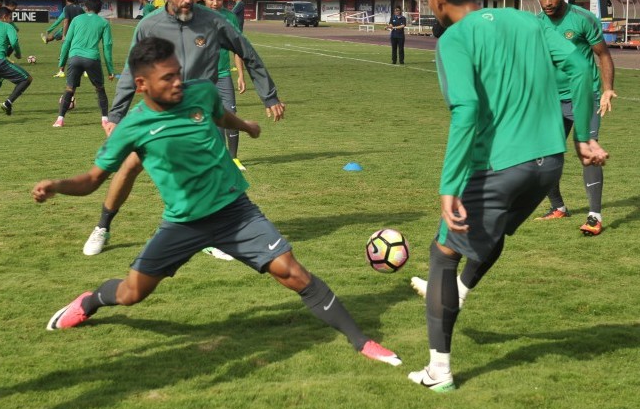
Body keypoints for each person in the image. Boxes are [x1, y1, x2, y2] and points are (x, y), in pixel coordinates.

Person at [33, 36, 401, 366]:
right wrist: (57, 185)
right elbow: (93, 180)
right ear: (142, 84)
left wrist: (246, 126)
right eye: (167, 78)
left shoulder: (200, 92)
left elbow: (219, 113)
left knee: (294, 273)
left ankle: (362, 341)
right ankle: (90, 301)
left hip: (235, 213)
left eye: (178, 73)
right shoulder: (132, 127)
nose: (178, 82)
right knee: (132, 293)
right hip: (183, 223)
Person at [406, 0, 607, 392]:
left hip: (499, 167)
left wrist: (449, 186)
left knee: (442, 252)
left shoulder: (454, 39)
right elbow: (578, 67)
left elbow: (466, 110)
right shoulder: (529, 21)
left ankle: (438, 371)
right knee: (491, 237)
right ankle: (460, 293)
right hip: (547, 165)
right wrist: (583, 138)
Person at [81, 0, 285, 257]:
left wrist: (269, 96)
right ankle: (102, 226)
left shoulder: (213, 22)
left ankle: (215, 238)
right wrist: (116, 116)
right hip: (158, 113)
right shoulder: (149, 26)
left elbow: (248, 54)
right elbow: (131, 70)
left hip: (200, 117)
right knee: (129, 167)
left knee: (216, 175)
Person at [533, 0, 617, 236]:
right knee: (541, 159)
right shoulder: (536, 25)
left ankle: (594, 216)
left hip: (585, 97)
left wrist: (607, 89)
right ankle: (558, 207)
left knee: (588, 154)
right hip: (551, 100)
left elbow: (602, 55)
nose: (548, 2)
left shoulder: (583, 19)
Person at [203, 0, 246, 169]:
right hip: (203, 77)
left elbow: (238, 49)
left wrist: (241, 76)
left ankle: (234, 157)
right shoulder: (196, 18)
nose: (215, 3)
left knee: (231, 113)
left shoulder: (230, 17)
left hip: (223, 74)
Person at [53, 0, 114, 127]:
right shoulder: (104, 23)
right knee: (100, 89)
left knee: (70, 88)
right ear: (100, 9)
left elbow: (67, 42)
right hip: (92, 59)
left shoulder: (76, 19)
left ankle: (60, 119)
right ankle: (104, 119)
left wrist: (61, 63)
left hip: (74, 57)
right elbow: (107, 47)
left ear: (86, 7)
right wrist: (110, 70)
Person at [42, 0, 84, 72]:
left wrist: (51, 30)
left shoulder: (66, 8)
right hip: (79, 32)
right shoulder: (80, 8)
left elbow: (63, 20)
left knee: (65, 49)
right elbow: (85, 20)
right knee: (80, 50)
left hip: (68, 32)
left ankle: (61, 70)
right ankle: (85, 70)